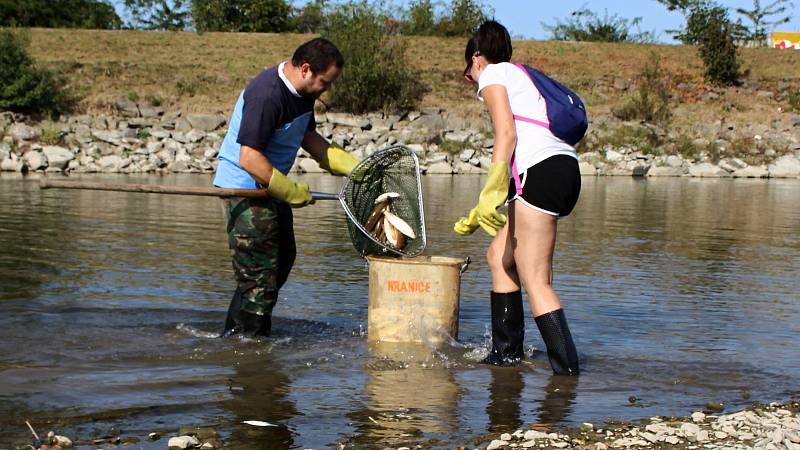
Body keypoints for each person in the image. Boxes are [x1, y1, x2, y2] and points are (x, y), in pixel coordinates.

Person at [454, 21, 581, 375]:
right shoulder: (523, 75)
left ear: (477, 58)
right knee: (499, 257)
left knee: (536, 278)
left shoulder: (494, 75)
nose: (472, 82)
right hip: (559, 169)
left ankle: (567, 375)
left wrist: (491, 190)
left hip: (539, 173)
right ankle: (506, 355)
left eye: (468, 73)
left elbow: (506, 134)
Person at [213, 38, 360, 337]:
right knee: (260, 276)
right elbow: (248, 157)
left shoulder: (304, 93)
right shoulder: (267, 95)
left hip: (271, 185)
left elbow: (308, 137)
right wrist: (290, 190)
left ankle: (234, 334)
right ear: (306, 69)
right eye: (325, 82)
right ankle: (250, 349)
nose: (327, 89)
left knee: (281, 261)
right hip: (245, 189)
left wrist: (354, 167)